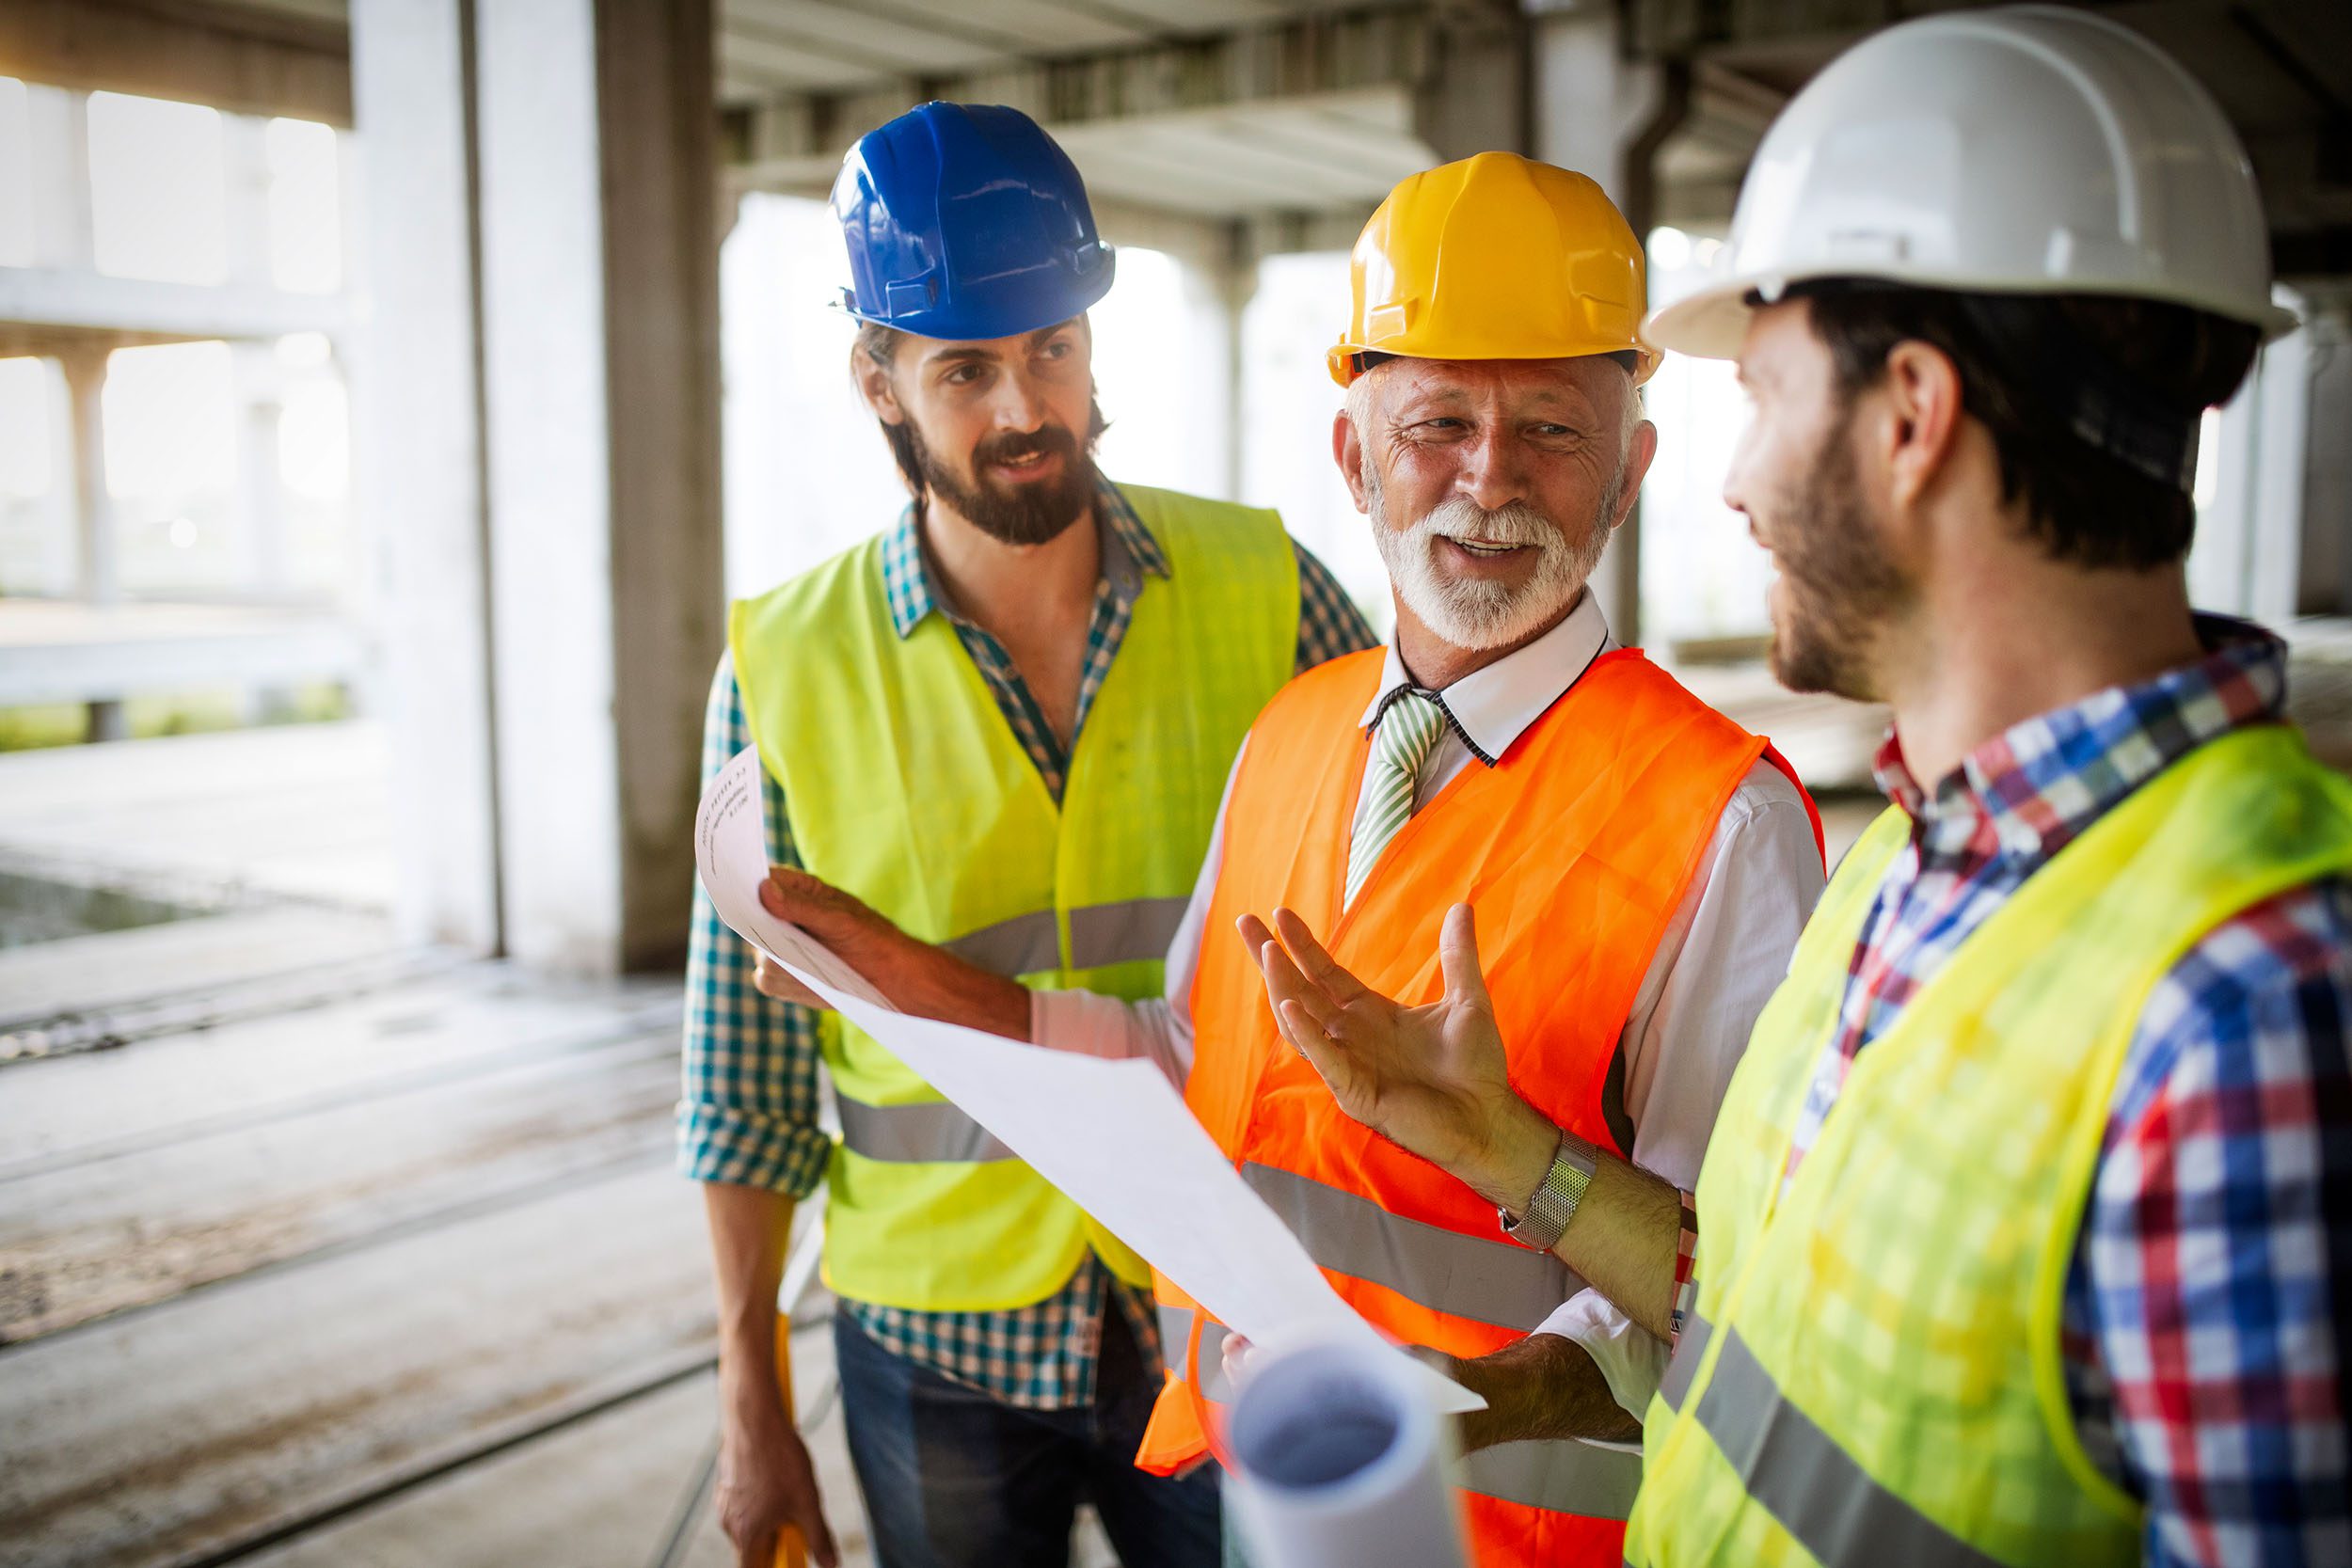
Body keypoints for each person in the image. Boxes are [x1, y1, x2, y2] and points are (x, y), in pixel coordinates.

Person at [1244, 9, 2352, 1565]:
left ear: (1911, 416)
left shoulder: (2247, 1002)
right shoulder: (1910, 861)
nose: (1729, 480)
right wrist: (1513, 1151)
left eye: (1761, 396)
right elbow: (1751, 1302)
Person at [750, 150, 1826, 1567]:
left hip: (1513, 1535)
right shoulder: (1297, 734)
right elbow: (1187, 1051)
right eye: (1436, 419)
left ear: (1629, 467)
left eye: (1553, 431)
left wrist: (1469, 1404)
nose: (1488, 478)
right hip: (1268, 1500)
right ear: (1352, 455)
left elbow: (1733, 1278)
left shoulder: (1721, 819)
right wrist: (921, 992)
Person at [679, 101, 1375, 1568]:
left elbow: (1403, 908)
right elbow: (741, 1094)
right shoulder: (784, 667)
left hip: (1225, 1297)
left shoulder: (1273, 593)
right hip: (937, 1347)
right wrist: (755, 1405)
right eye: (966, 369)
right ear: (877, 380)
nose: (1022, 408)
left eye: (1052, 348)